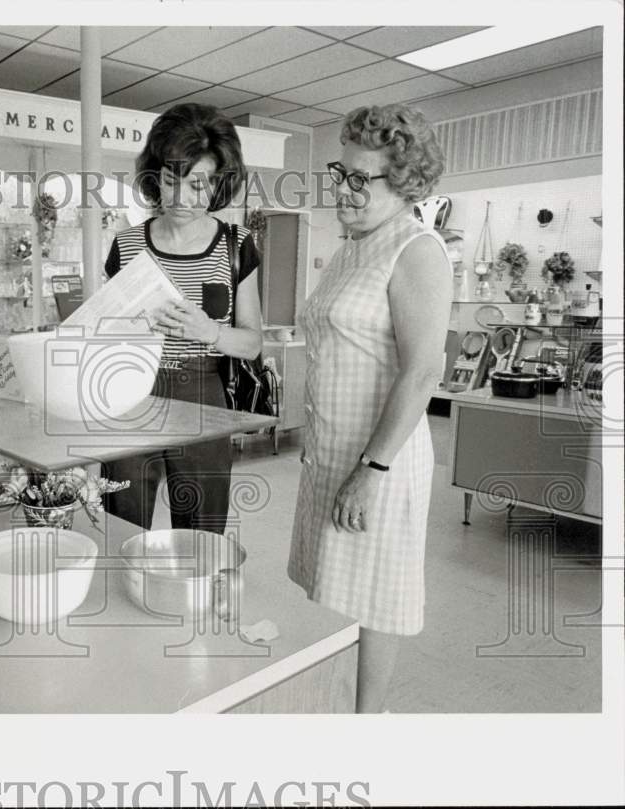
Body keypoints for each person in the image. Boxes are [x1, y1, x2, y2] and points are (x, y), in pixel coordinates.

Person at [287, 103, 452, 713]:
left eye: (363, 179)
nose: (345, 190)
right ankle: (340, 710)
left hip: (379, 462)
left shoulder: (415, 250)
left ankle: (366, 727)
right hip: (333, 451)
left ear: (404, 182)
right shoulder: (353, 246)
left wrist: (370, 470)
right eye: (341, 173)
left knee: (377, 599)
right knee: (340, 586)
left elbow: (423, 371)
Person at [101, 102, 263, 534]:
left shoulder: (236, 244)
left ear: (219, 186)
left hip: (204, 392)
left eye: (198, 186)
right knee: (122, 518)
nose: (181, 199)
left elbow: (252, 342)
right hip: (132, 391)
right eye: (171, 182)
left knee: (201, 527)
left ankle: (192, 597)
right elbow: (100, 331)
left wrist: (208, 332)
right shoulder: (127, 245)